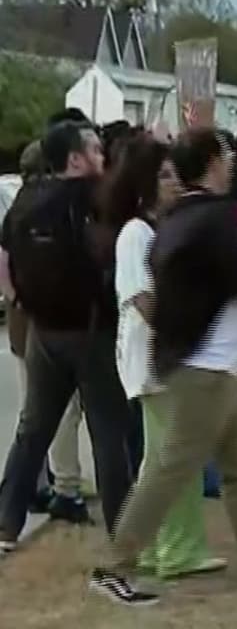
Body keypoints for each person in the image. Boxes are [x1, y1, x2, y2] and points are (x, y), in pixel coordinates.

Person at [92, 128, 237, 605]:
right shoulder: (215, 218)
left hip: (211, 365)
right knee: (172, 469)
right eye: (227, 156)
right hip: (206, 367)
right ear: (214, 162)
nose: (233, 162)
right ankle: (115, 566)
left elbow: (207, 280)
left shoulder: (176, 220)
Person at [0, 121, 132, 554]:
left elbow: (4, 252)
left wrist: (17, 297)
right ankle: (125, 532)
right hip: (91, 330)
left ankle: (5, 522)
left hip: (43, 328)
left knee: (32, 431)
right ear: (74, 158)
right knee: (109, 433)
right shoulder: (95, 198)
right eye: (94, 150)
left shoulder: (28, 197)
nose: (102, 157)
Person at [108, 134, 226, 579]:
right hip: (158, 362)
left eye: (175, 172)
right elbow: (142, 299)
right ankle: (176, 550)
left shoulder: (164, 230)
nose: (174, 181)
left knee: (163, 460)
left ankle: (157, 547)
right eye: (163, 175)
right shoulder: (136, 233)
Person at [2, 140, 89, 522]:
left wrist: (16, 299)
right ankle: (62, 486)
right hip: (52, 320)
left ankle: (34, 488)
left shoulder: (20, 204)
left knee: (33, 410)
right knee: (57, 410)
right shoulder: (50, 205)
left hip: (27, 316)